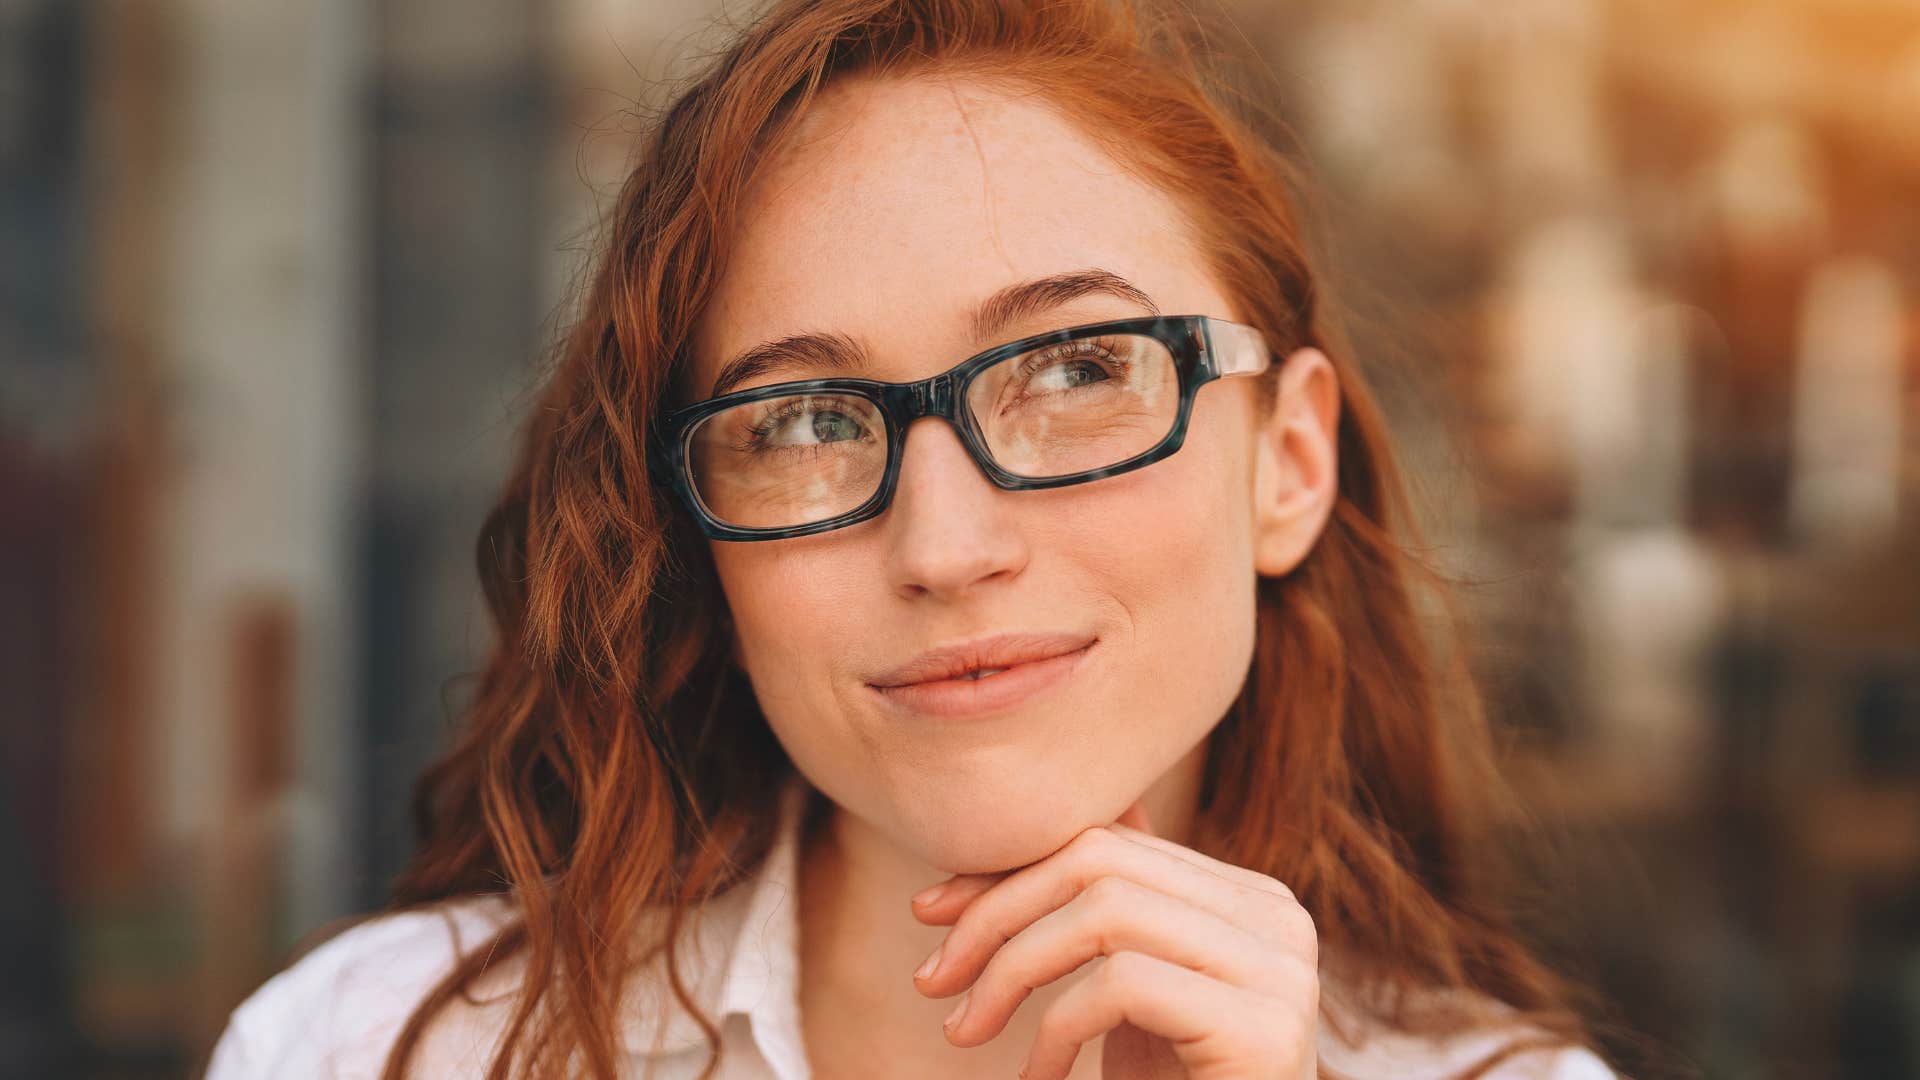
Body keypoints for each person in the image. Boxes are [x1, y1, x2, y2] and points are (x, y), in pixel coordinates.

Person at [205, 1, 1625, 1077]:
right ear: (700, 541)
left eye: (1077, 371)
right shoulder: (383, 1047)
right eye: (806, 421)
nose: (943, 546)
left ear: (1289, 462)